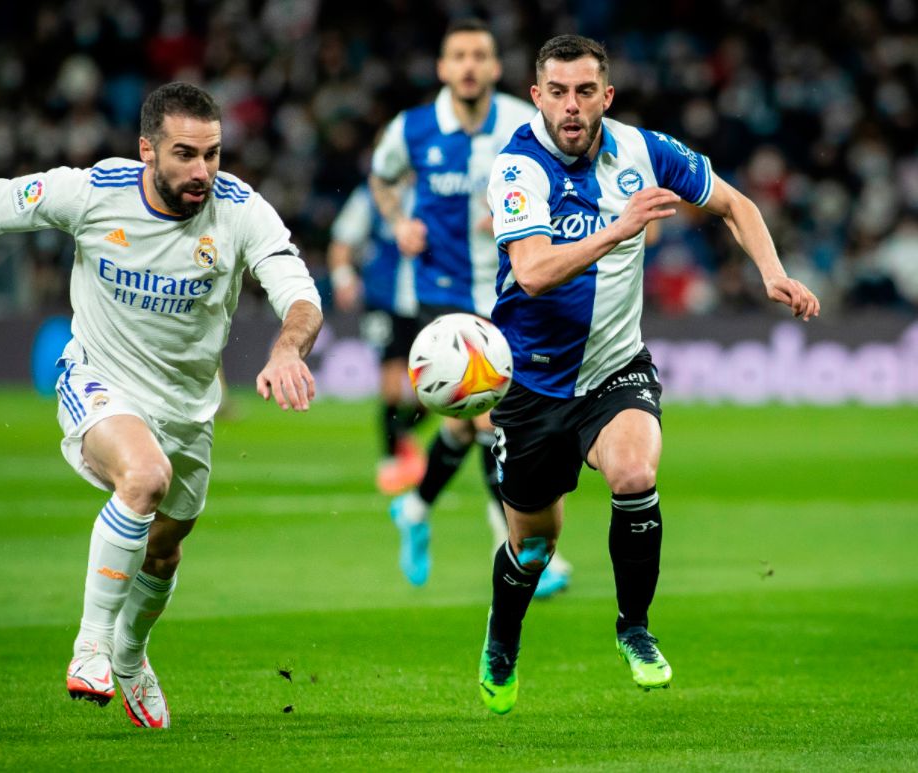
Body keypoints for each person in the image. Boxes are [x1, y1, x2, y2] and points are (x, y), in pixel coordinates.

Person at [0, 82, 323, 729]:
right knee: (145, 477)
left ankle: (130, 653)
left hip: (187, 409)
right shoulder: (93, 192)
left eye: (212, 154)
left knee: (166, 547)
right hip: (98, 379)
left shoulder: (241, 211)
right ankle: (93, 645)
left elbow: (300, 295)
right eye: (184, 153)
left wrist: (288, 348)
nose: (202, 171)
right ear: (146, 150)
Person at [476, 35, 820, 714]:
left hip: (614, 368)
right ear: (537, 94)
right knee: (533, 547)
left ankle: (633, 626)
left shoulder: (644, 149)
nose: (570, 106)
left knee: (634, 475)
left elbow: (735, 205)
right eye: (557, 91)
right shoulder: (516, 167)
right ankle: (502, 634)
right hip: (532, 386)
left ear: (605, 95)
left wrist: (772, 272)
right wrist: (619, 227)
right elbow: (533, 272)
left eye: (584, 91)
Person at [370, 17, 572, 594]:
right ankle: (520, 546)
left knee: (467, 426)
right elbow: (382, 179)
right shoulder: (412, 129)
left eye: (479, 55)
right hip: (443, 293)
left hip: (512, 289)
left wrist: (524, 215)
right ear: (443, 67)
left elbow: (561, 182)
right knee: (493, 416)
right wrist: (397, 221)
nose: (468, 65)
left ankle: (414, 508)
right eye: (457, 55)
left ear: (494, 67)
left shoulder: (523, 123)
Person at [327, 182, 426, 495]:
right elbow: (342, 242)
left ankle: (402, 436)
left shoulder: (435, 187)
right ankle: (388, 463)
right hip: (383, 300)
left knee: (436, 393)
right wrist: (343, 278)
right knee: (392, 386)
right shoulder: (368, 196)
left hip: (430, 300)